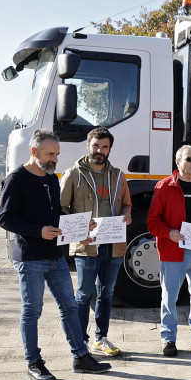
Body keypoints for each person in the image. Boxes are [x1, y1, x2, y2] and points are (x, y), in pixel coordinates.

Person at [0, 129, 111, 380]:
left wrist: (78, 231)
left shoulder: (51, 178)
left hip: (55, 256)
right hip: (30, 258)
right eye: (50, 154)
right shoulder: (16, 180)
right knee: (32, 311)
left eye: (57, 155)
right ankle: (33, 362)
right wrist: (38, 231)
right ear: (33, 151)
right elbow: (5, 218)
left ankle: (80, 357)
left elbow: (54, 218)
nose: (54, 160)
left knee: (70, 307)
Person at [59, 127, 131, 357]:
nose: (99, 151)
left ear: (110, 149)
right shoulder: (73, 174)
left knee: (107, 293)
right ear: (88, 146)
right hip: (86, 245)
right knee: (83, 294)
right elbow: (61, 209)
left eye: (104, 147)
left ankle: (101, 338)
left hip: (113, 244)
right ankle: (80, 341)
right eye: (96, 146)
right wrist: (79, 229)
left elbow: (127, 204)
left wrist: (128, 215)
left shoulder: (118, 176)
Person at [147, 145, 191, 356]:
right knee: (170, 297)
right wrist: (169, 233)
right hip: (174, 251)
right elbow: (152, 221)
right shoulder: (165, 187)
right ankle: (168, 339)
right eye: (189, 159)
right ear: (178, 162)